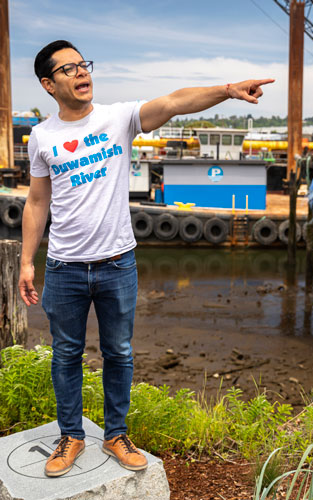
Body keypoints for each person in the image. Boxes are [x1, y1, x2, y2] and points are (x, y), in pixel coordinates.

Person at [18, 39, 273, 478]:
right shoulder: (42, 137)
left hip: (118, 264)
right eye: (69, 69)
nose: (82, 74)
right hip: (64, 267)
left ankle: (116, 434)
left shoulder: (117, 119)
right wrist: (27, 262)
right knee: (66, 355)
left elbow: (175, 102)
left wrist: (228, 90)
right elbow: (37, 202)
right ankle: (71, 436)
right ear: (48, 84)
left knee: (119, 352)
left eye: (84, 65)